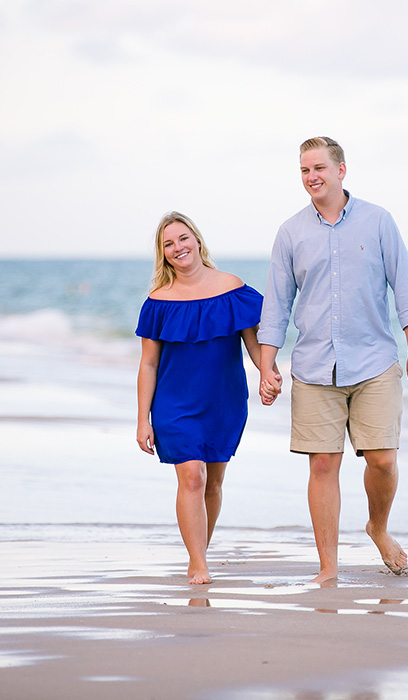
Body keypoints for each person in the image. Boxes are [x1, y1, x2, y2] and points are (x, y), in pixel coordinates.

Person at [257, 137, 408, 583]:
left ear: (341, 170)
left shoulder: (378, 221)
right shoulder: (290, 232)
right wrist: (266, 367)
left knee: (383, 460)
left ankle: (377, 526)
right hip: (315, 368)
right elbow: (276, 306)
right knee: (322, 465)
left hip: (374, 362)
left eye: (318, 167)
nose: (311, 177)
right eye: (304, 171)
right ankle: (328, 568)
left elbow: (405, 288)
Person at [136, 211, 280, 585]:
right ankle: (198, 562)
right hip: (174, 405)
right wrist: (142, 420)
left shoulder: (231, 286)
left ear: (197, 241)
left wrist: (268, 372)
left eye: (183, 239)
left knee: (213, 483)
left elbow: (254, 342)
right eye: (168, 244)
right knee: (193, 477)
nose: (178, 248)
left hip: (224, 401)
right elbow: (148, 365)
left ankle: (199, 551)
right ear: (163, 254)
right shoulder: (158, 300)